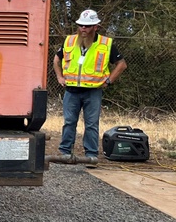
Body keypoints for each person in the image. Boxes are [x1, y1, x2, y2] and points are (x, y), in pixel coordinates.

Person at [53, 9, 128, 163]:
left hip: (93, 91)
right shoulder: (69, 41)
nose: (83, 29)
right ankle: (64, 152)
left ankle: (91, 156)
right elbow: (56, 59)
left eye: (87, 26)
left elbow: (121, 64)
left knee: (91, 124)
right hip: (71, 90)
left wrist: (108, 81)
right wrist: (59, 76)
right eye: (81, 25)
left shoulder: (106, 44)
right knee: (69, 122)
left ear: (96, 27)